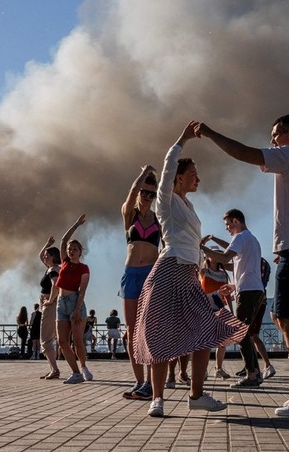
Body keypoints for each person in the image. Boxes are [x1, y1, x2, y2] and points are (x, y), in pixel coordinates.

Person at [196, 114, 289, 418]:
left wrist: (209, 132)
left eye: (275, 135)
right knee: (285, 317)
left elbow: (245, 153)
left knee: (287, 320)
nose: (272, 141)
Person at [134, 122, 248, 418]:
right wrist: (182, 140)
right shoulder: (167, 201)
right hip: (168, 270)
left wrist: (207, 272)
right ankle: (157, 399)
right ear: (179, 179)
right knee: (158, 333)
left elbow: (194, 247)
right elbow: (168, 165)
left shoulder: (189, 207)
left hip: (189, 274)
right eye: (194, 174)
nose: (199, 178)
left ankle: (196, 394)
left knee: (206, 330)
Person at [201, 209, 266, 388]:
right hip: (253, 290)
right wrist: (234, 285)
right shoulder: (249, 238)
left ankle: (252, 374)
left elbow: (223, 257)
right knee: (245, 332)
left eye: (228, 225)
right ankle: (256, 373)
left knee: (241, 332)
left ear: (235, 221)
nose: (227, 228)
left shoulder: (241, 238)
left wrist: (201, 248)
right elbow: (235, 263)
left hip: (249, 292)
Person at [120, 165, 161, 401]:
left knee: (148, 330)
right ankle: (139, 382)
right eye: (144, 192)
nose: (146, 197)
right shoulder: (129, 214)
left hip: (151, 276)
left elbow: (167, 246)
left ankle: (150, 381)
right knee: (131, 331)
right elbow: (131, 193)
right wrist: (143, 174)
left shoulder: (158, 218)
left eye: (151, 194)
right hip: (131, 275)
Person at [46, 214, 93, 384]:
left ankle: (83, 366)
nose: (71, 251)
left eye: (75, 249)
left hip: (75, 302)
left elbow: (82, 291)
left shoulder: (83, 268)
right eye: (70, 249)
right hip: (61, 303)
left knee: (78, 341)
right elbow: (63, 240)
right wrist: (76, 225)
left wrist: (77, 310)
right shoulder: (64, 262)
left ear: (80, 252)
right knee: (63, 341)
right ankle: (76, 373)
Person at [197, 249, 233, 379]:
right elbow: (197, 260)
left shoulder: (223, 275)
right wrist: (201, 245)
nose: (215, 255)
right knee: (204, 341)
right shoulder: (204, 271)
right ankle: (203, 370)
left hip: (219, 308)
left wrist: (232, 311)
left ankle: (218, 368)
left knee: (222, 340)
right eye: (213, 253)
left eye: (218, 253)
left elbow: (227, 294)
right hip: (204, 309)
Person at [37, 239, 61, 379]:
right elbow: (40, 256)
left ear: (53, 256)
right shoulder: (53, 267)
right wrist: (47, 244)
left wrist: (50, 300)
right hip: (50, 305)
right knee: (49, 338)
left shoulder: (53, 270)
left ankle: (55, 370)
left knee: (45, 338)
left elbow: (55, 284)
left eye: (47, 255)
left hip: (50, 306)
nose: (44, 257)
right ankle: (53, 368)